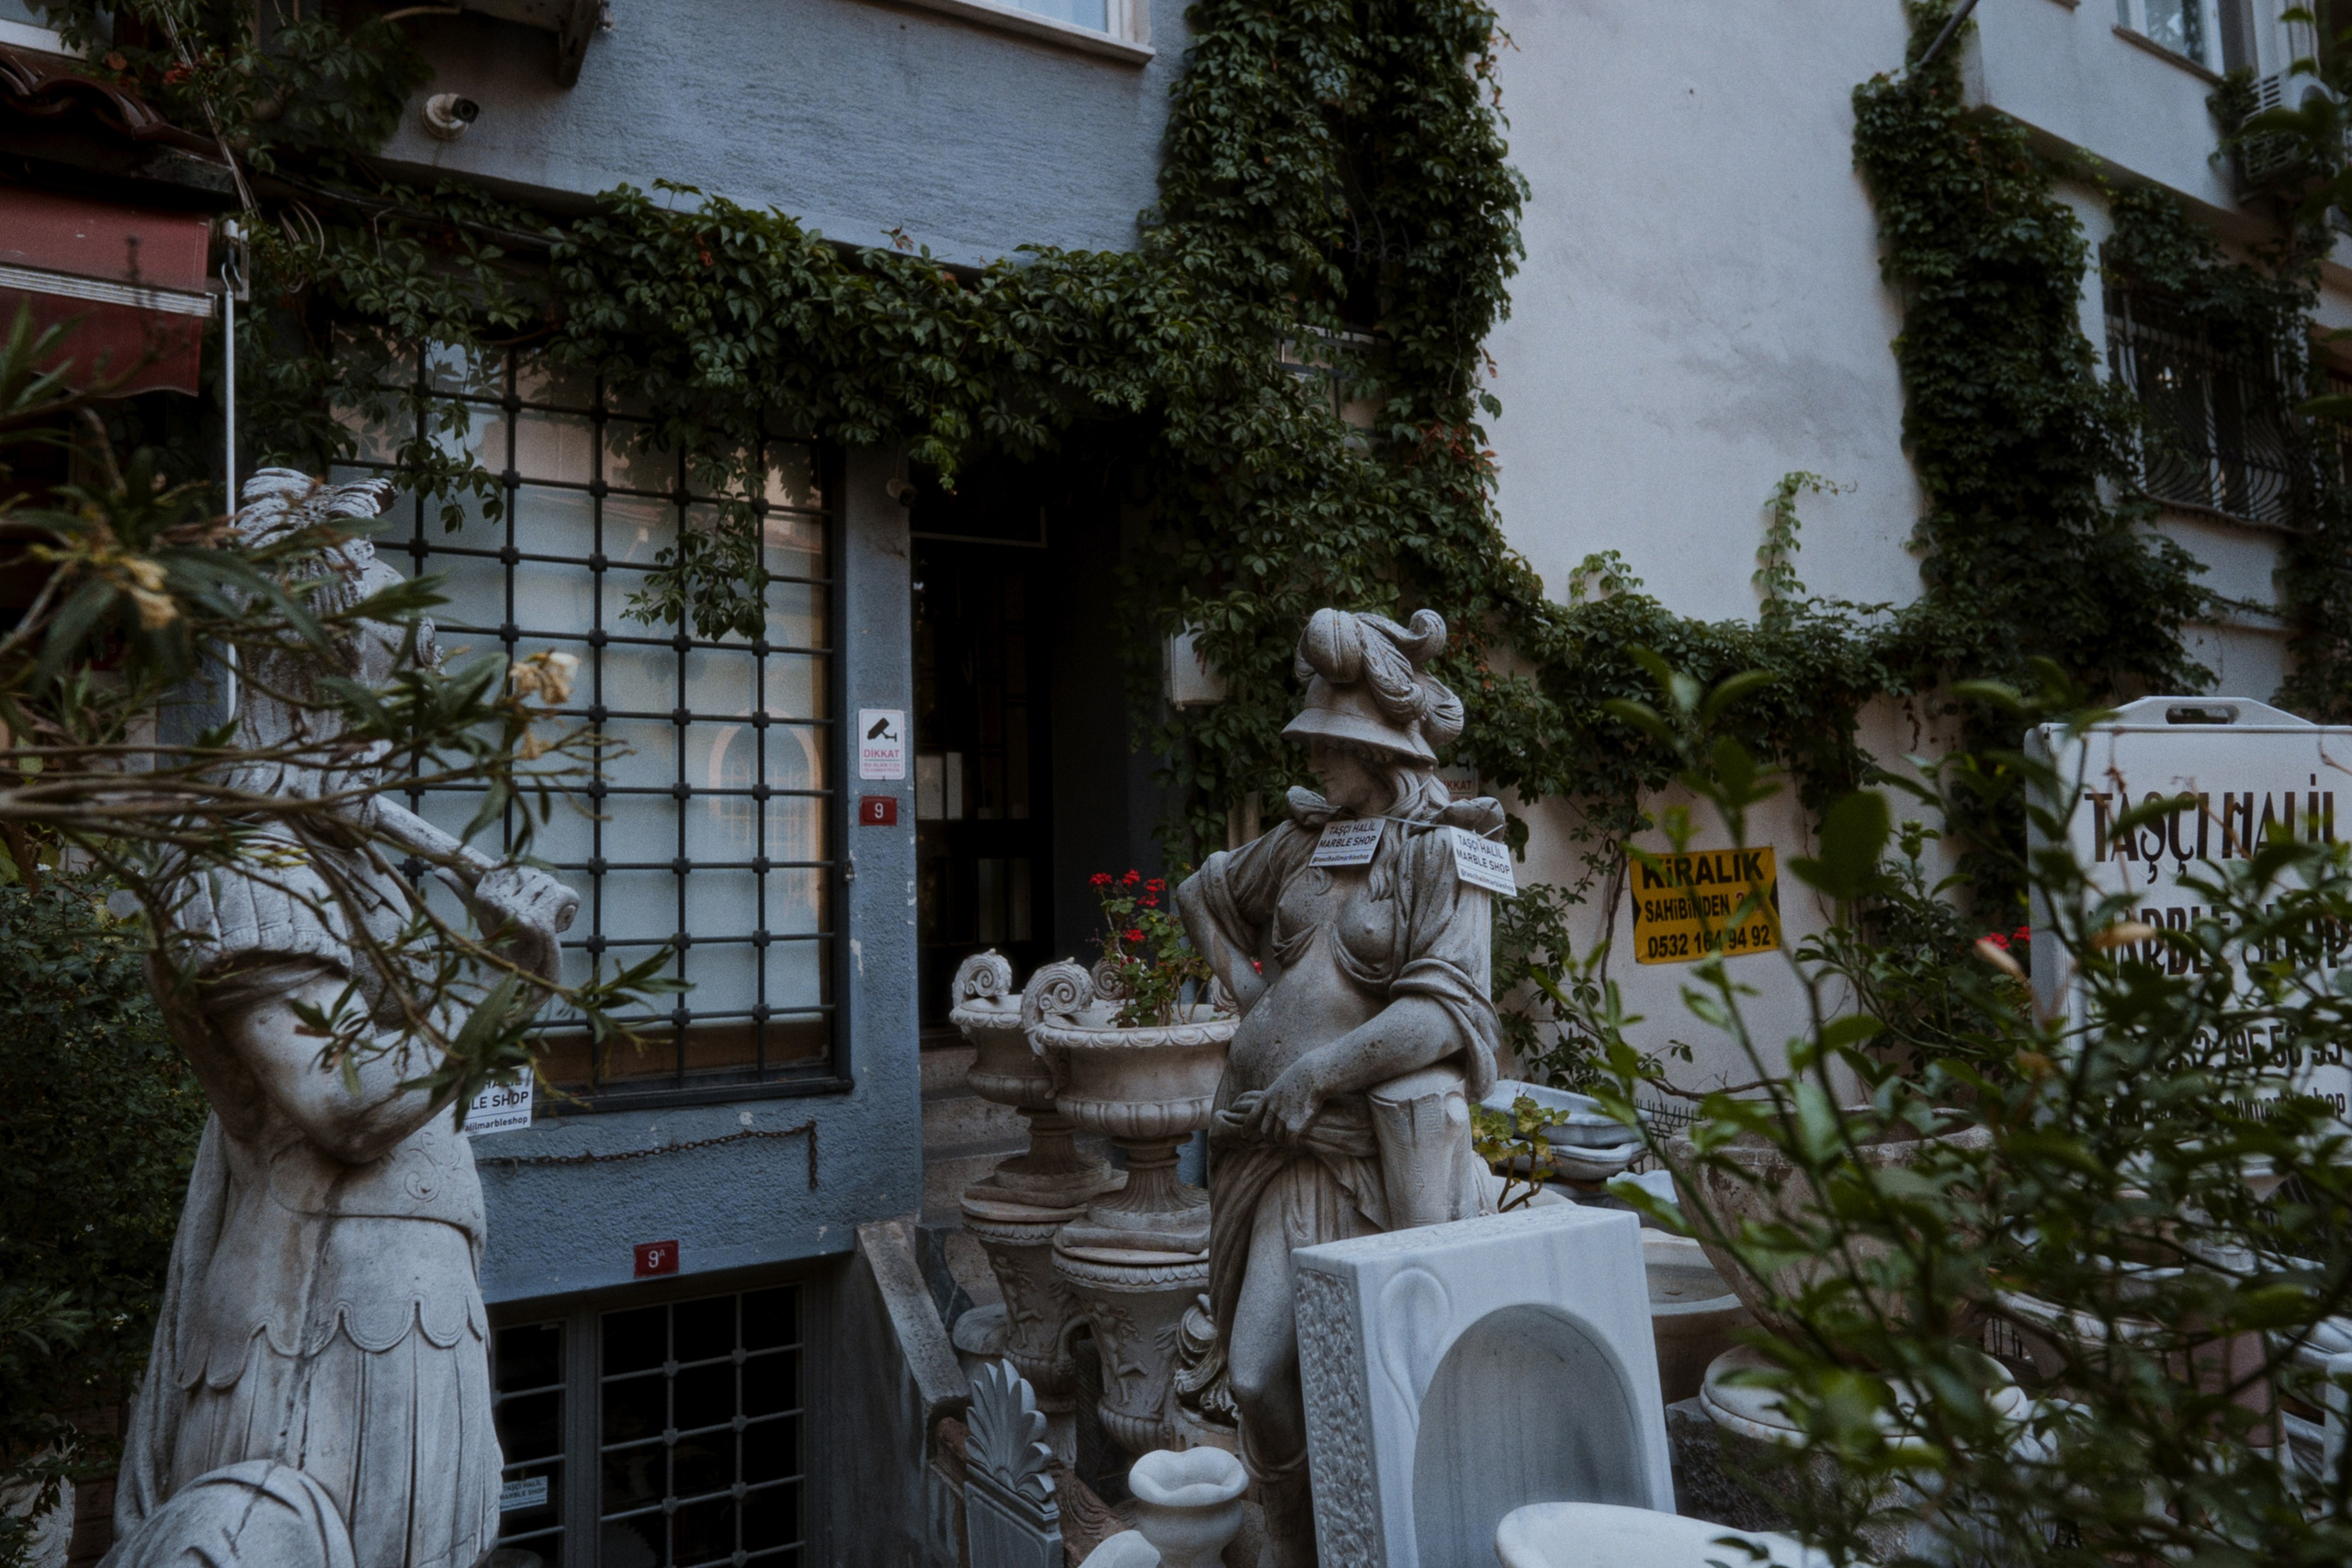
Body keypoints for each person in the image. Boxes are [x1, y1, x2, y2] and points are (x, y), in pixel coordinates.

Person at [105, 471, 576, 1568]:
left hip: (404, 1300)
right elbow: (348, 1106)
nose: (406, 711)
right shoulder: (246, 858)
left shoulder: (347, 858)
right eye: (382, 682)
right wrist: (506, 978)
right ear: (302, 671)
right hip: (320, 1316)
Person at [1176, 606, 1503, 1565]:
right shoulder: (1306, 840)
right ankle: (1301, 1540)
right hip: (1267, 1151)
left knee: (1346, 1376)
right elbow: (1202, 890)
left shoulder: (1446, 851)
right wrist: (1249, 1000)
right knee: (1251, 1377)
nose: (1314, 754)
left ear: (1379, 747)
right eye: (1312, 739)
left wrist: (1317, 1070)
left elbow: (1448, 1016)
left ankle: (1366, 1537)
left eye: (1330, 741)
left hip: (1356, 1159)